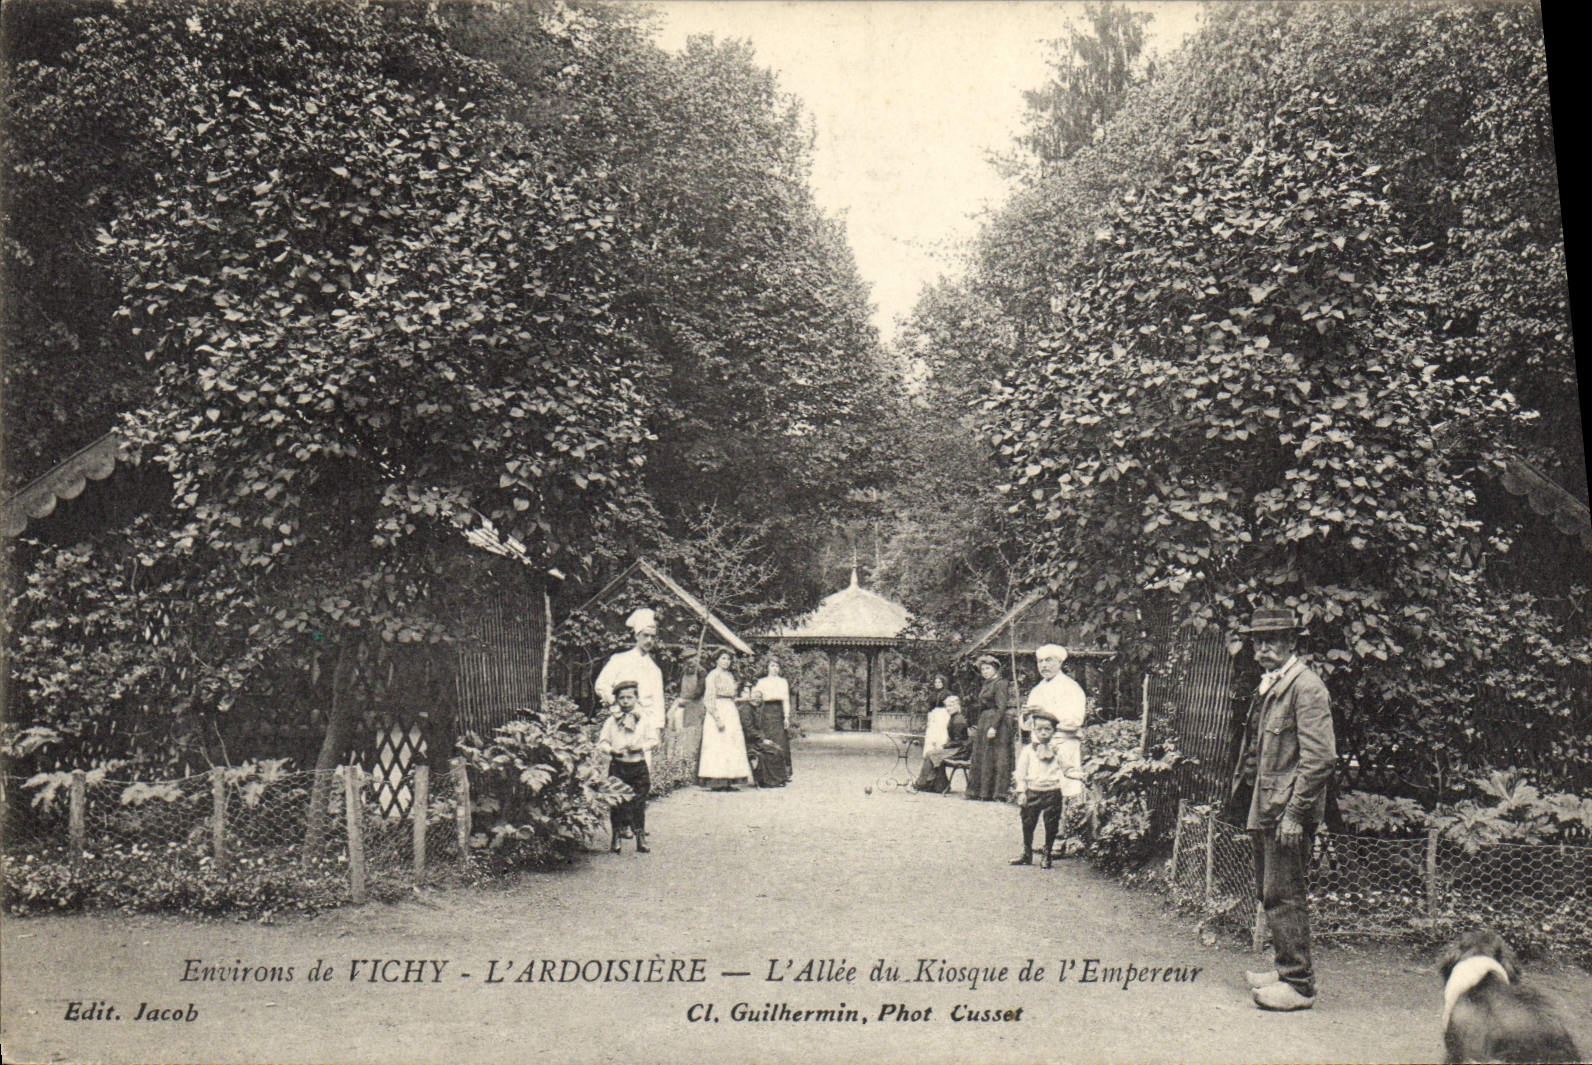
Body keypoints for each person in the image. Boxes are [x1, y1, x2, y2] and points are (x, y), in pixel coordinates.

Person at [1224, 606, 1336, 1012]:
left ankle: (1298, 984)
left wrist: (1295, 814)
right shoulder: (1272, 683)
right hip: (1265, 805)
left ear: (1292, 643)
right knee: (1269, 891)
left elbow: (1320, 758)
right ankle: (1284, 966)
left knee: (1284, 894)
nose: (1263, 647)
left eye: (1273, 640)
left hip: (1286, 811)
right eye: (1258, 640)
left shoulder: (1306, 688)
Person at [1021, 644, 1087, 857]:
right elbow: (1027, 725)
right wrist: (1026, 717)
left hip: (1063, 744)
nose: (1044, 665)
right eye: (1041, 661)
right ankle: (1050, 840)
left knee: (1065, 790)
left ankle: (1063, 841)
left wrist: (1046, 714)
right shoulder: (1037, 689)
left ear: (1060, 662)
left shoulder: (1071, 688)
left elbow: (1075, 720)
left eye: (1049, 660)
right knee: (1045, 793)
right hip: (1041, 749)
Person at [594, 608, 669, 754]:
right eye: (645, 635)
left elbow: (658, 703)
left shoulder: (655, 670)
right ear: (637, 636)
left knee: (642, 766)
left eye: (652, 637)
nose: (649, 640)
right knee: (619, 760)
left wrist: (657, 730)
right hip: (620, 720)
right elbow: (601, 685)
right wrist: (615, 704)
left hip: (644, 725)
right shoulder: (619, 660)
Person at [596, 680, 658, 853]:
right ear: (616, 700)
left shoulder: (644, 720)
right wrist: (611, 750)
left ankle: (640, 839)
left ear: (636, 699)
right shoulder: (611, 721)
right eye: (621, 698)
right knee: (617, 803)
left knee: (639, 803)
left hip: (638, 766)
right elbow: (602, 742)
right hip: (618, 767)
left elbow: (654, 740)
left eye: (629, 697)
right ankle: (616, 838)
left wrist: (641, 747)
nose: (625, 701)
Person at [1010, 708, 1070, 868]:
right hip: (1033, 790)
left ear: (1054, 730)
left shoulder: (1058, 749)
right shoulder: (1028, 750)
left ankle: (1047, 853)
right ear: (1034, 730)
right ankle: (1026, 853)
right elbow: (1021, 772)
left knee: (1051, 824)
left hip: (1052, 791)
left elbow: (1067, 769)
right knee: (1028, 822)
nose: (1043, 733)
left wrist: (1077, 773)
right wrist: (1021, 791)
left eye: (1047, 729)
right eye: (1039, 729)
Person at [698, 650, 753, 790]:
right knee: (718, 745)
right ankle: (717, 781)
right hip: (718, 709)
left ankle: (729, 779)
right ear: (716, 660)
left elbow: (732, 696)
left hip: (730, 710)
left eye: (728, 659)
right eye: (723, 658)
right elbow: (709, 698)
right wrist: (717, 718)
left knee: (731, 744)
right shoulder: (712, 675)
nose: (726, 661)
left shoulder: (729, 675)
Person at [966, 654, 1014, 801]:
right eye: (983, 669)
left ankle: (998, 792)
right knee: (983, 755)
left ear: (995, 669)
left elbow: (1001, 707)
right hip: (985, 720)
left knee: (996, 757)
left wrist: (994, 727)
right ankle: (981, 791)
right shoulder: (987, 684)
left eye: (988, 668)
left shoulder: (1001, 683)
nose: (985, 671)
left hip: (997, 723)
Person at [912, 693, 969, 793]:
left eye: (951, 706)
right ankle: (938, 785)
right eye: (947, 706)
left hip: (960, 751)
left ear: (957, 706)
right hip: (955, 748)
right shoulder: (954, 717)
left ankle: (920, 783)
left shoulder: (958, 720)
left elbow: (958, 741)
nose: (948, 708)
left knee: (931, 754)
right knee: (933, 754)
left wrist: (945, 745)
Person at [751, 658, 794, 782]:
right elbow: (756, 698)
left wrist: (786, 716)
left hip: (778, 712)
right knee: (767, 741)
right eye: (772, 666)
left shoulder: (783, 682)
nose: (774, 668)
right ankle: (767, 774)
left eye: (777, 666)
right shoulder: (761, 682)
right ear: (767, 668)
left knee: (781, 741)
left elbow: (786, 700)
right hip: (765, 712)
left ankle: (784, 774)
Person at [738, 691, 789, 787]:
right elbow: (748, 729)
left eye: (759, 698)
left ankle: (776, 779)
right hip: (749, 742)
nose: (757, 699)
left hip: (755, 739)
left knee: (777, 748)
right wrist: (762, 739)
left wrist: (763, 738)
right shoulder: (746, 710)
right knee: (773, 751)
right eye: (755, 697)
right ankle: (769, 781)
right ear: (750, 697)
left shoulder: (755, 709)